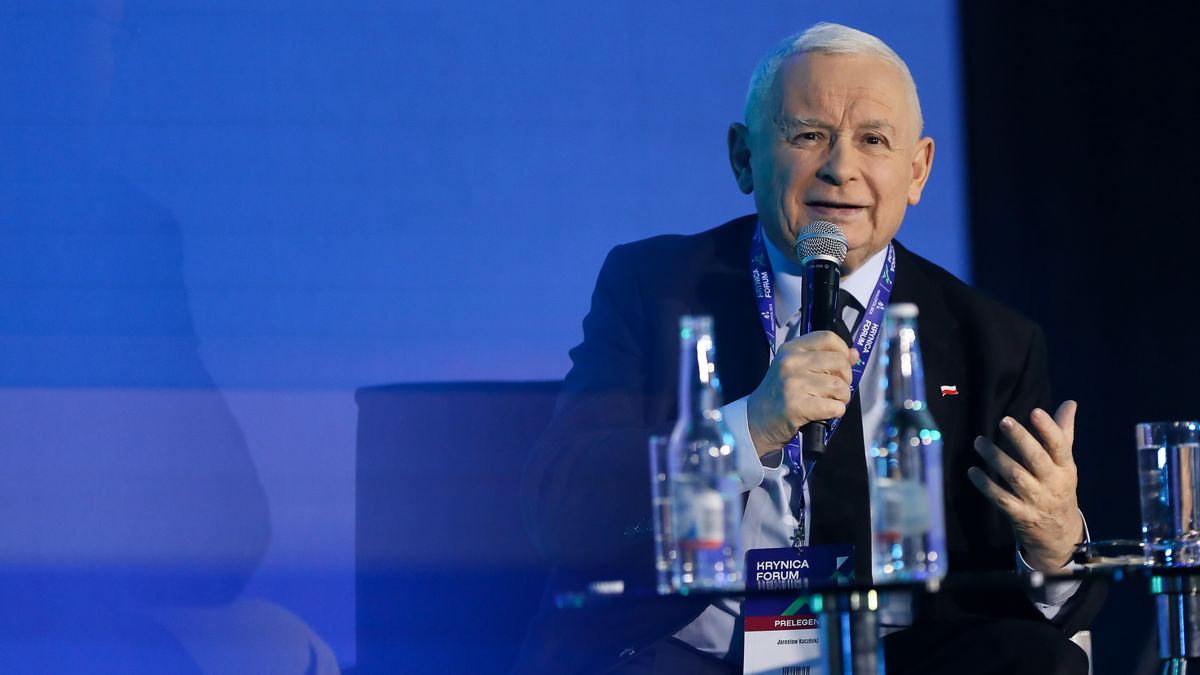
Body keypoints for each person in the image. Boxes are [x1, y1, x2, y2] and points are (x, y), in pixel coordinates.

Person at [519, 22, 1100, 675]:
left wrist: (1053, 550)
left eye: (873, 140)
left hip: (900, 656)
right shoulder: (653, 289)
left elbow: (1035, 599)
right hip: (691, 650)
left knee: (1039, 661)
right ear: (743, 157)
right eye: (808, 134)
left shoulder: (994, 340)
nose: (840, 167)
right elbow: (562, 505)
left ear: (917, 170)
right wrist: (748, 427)